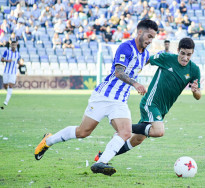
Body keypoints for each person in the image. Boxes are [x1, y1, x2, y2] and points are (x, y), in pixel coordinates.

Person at [34, 19, 158, 176]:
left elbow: (145, 63)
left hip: (119, 101)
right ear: (140, 32)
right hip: (103, 96)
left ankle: (101, 162)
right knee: (83, 132)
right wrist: (135, 84)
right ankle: (48, 141)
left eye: (153, 38)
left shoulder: (145, 54)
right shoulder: (126, 47)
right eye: (149, 36)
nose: (150, 40)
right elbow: (119, 72)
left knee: (125, 132)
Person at [94, 37, 201, 164]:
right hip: (150, 103)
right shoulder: (167, 58)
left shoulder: (194, 70)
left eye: (189, 55)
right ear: (178, 50)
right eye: (182, 53)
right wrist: (130, 72)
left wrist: (195, 91)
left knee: (137, 139)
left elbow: (198, 96)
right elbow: (146, 59)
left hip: (163, 109)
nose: (185, 58)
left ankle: (102, 157)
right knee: (159, 131)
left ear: (192, 53)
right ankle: (123, 128)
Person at [1, 41, 21, 108]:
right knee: (5, 85)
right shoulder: (7, 52)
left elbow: (18, 61)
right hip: (6, 71)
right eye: (12, 45)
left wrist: (19, 63)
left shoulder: (18, 54)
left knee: (10, 85)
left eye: (14, 45)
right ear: (11, 45)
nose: (13, 46)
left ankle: (6, 101)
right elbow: (2, 59)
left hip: (13, 72)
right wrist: (7, 60)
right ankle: (9, 93)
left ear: (16, 46)